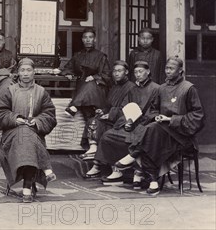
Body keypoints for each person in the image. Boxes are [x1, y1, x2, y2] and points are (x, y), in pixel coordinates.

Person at [113, 57, 204, 195]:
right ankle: (153, 181)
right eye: (166, 68)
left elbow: (198, 115)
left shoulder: (188, 88)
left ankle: (135, 155)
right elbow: (153, 110)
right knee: (152, 136)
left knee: (151, 132)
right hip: (161, 132)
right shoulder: (161, 88)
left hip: (181, 135)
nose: (168, 71)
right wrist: (157, 116)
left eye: (171, 68)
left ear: (180, 71)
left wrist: (171, 119)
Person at [85, 60, 160, 186]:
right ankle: (117, 170)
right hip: (131, 125)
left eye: (141, 72)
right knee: (108, 135)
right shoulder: (133, 90)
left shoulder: (156, 89)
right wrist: (128, 121)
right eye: (136, 72)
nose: (138, 75)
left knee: (133, 138)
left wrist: (141, 121)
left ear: (148, 72)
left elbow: (156, 111)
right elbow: (125, 109)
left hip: (146, 127)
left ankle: (137, 171)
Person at [0, 58, 57, 203]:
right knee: (24, 132)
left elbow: (50, 114)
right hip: (12, 135)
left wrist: (38, 121)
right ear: (18, 73)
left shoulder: (41, 92)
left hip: (34, 133)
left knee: (27, 134)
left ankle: (27, 186)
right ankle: (44, 170)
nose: (25, 73)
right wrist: (14, 119)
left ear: (34, 72)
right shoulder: (9, 91)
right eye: (22, 70)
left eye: (29, 70)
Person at [60, 27, 110, 147]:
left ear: (95, 39)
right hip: (81, 89)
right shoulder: (78, 55)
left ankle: (74, 106)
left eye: (90, 37)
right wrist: (69, 74)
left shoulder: (101, 56)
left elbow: (107, 74)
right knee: (89, 116)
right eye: (85, 37)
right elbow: (68, 68)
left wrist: (95, 77)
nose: (88, 40)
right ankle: (90, 145)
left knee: (90, 87)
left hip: (97, 89)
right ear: (82, 39)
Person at [81, 60, 135, 161]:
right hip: (111, 117)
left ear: (126, 72)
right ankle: (93, 148)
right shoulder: (115, 87)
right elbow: (109, 105)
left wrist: (110, 115)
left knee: (96, 122)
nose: (116, 73)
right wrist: (103, 111)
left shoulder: (131, 87)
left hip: (121, 120)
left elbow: (128, 108)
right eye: (114, 71)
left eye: (119, 71)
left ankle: (95, 151)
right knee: (93, 119)